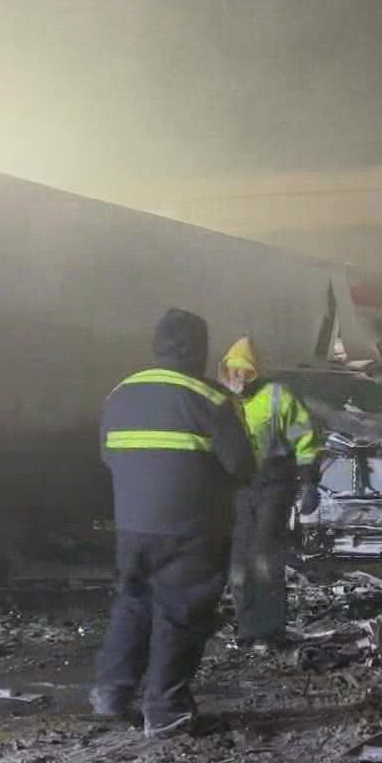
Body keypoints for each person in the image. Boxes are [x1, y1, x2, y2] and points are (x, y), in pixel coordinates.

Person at [91, 307, 254, 738]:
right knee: (180, 613)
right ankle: (165, 711)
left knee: (133, 601)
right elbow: (241, 466)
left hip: (132, 525)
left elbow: (108, 457)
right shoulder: (210, 399)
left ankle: (111, 691)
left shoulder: (120, 393)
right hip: (193, 528)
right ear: (199, 350)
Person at [218, 336, 319, 649]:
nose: (236, 378)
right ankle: (249, 630)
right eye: (231, 371)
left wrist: (309, 480)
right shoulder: (220, 401)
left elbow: (305, 438)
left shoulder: (277, 397)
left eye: (243, 372)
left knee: (263, 558)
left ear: (254, 372)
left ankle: (271, 629)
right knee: (238, 563)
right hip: (240, 488)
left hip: (275, 482)